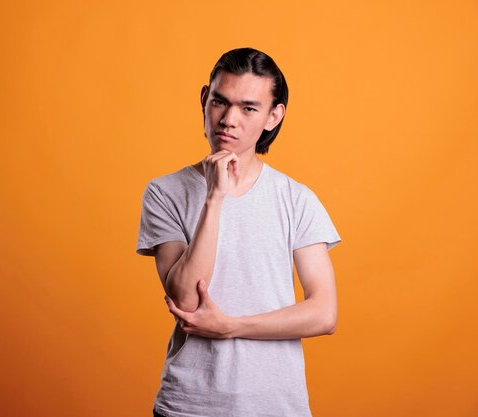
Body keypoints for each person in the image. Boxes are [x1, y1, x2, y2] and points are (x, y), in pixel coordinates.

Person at [135, 47, 342, 417]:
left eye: (248, 108)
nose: (229, 119)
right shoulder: (164, 192)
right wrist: (215, 198)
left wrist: (232, 327)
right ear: (204, 100)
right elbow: (185, 298)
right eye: (220, 101)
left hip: (277, 406)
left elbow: (324, 313)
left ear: (272, 116)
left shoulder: (296, 199)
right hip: (189, 405)